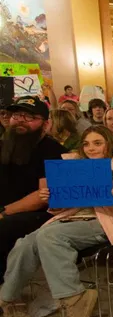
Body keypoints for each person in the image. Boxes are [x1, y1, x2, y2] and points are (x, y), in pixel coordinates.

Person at [0, 126, 113, 317]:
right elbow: (61, 207)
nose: (91, 148)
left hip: (108, 222)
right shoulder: (74, 167)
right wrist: (51, 197)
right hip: (70, 219)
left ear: (109, 144)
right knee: (25, 243)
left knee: (49, 236)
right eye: (86, 144)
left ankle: (72, 299)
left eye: (97, 143)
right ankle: (11, 301)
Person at [0, 97, 67, 282]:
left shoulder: (52, 151)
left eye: (30, 117)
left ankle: (7, 294)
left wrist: (4, 212)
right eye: (17, 115)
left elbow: (43, 196)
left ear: (45, 124)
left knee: (3, 227)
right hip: (7, 210)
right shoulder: (4, 145)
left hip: (40, 214)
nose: (21, 119)